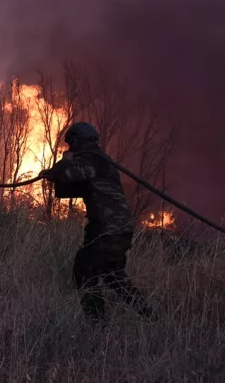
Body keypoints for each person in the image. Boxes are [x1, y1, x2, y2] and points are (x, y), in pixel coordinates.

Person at [39, 122, 154, 323]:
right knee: (113, 275)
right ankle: (150, 316)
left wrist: (62, 165)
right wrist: (52, 176)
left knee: (84, 270)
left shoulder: (90, 160)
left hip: (106, 230)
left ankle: (97, 325)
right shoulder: (102, 163)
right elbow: (73, 189)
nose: (70, 148)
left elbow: (68, 174)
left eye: (71, 144)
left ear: (77, 140)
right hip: (120, 229)